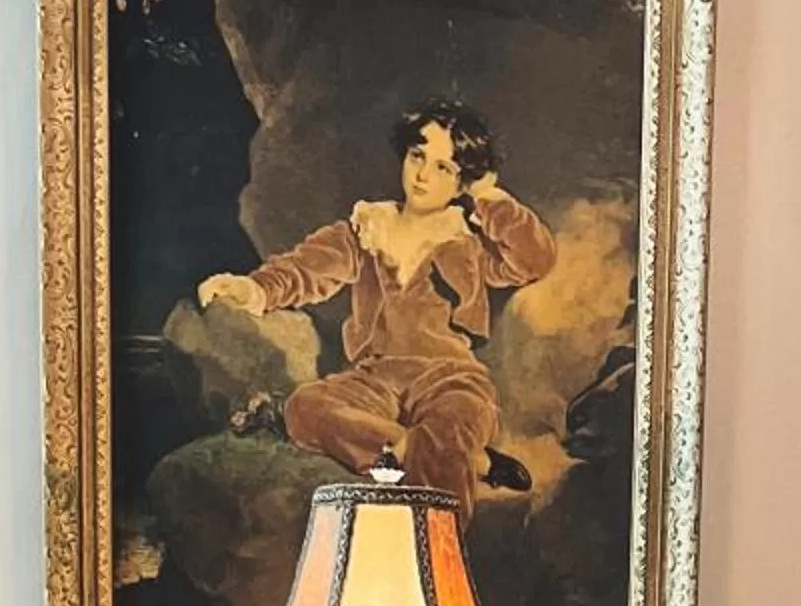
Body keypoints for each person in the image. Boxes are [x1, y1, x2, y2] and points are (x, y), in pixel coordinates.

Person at [198, 102, 555, 510]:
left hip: (449, 378)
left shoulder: (467, 243)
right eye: (418, 156)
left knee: (451, 425)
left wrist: (488, 196)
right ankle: (449, 456)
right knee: (305, 407)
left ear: (461, 183)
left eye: (444, 168)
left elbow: (534, 260)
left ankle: (432, 557)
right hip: (376, 379)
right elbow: (304, 269)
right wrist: (251, 288)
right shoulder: (366, 228)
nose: (422, 174)